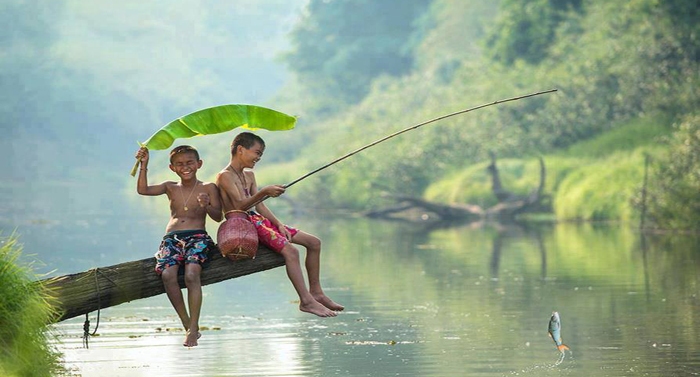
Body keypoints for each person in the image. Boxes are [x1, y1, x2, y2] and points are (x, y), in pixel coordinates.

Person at [216, 132, 344, 317]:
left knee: (314, 242)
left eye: (261, 155)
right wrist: (264, 191)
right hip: (243, 224)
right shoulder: (224, 176)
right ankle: (306, 301)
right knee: (292, 251)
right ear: (240, 150)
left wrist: (278, 224)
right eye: (257, 153)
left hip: (259, 221)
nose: (258, 158)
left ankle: (316, 292)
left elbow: (259, 205)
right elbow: (239, 205)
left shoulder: (249, 175)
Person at [135, 145, 223, 347]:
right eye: (180, 164)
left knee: (192, 274)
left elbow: (218, 216)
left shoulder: (208, 187)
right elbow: (143, 190)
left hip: (197, 237)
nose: (185, 167)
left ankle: (194, 325)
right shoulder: (170, 187)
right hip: (172, 238)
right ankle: (188, 326)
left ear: (199, 164)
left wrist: (207, 205)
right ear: (172, 167)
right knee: (168, 275)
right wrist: (144, 164)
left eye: (190, 162)